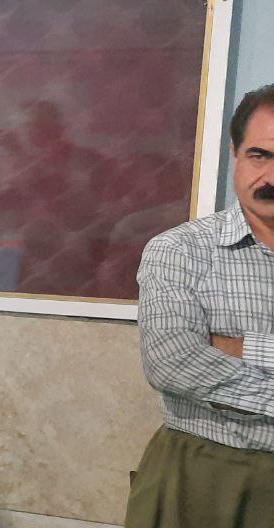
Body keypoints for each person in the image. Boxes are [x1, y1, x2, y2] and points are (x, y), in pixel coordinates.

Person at [126, 83, 274, 527]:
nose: (271, 177)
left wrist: (241, 347)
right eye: (259, 155)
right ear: (235, 155)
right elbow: (173, 363)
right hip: (203, 475)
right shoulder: (181, 250)